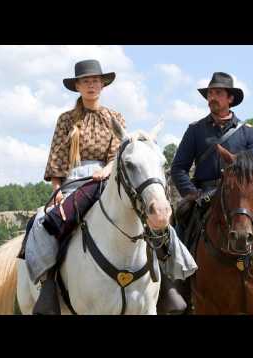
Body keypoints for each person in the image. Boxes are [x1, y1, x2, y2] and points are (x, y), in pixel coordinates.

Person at [29, 59, 190, 315]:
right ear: (78, 86)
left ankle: (167, 281)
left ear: (102, 85)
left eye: (95, 81)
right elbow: (57, 159)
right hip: (74, 181)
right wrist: (57, 190)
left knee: (152, 215)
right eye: (86, 81)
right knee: (44, 221)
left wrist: (106, 171)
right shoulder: (66, 120)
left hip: (111, 179)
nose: (91, 85)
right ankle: (48, 284)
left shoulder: (115, 117)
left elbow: (123, 154)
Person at [170, 72, 253, 313]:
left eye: (218, 93)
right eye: (210, 93)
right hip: (205, 193)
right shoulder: (195, 130)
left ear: (230, 98)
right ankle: (178, 291)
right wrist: (193, 194)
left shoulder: (247, 132)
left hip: (242, 194)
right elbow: (178, 168)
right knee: (178, 227)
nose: (212, 97)